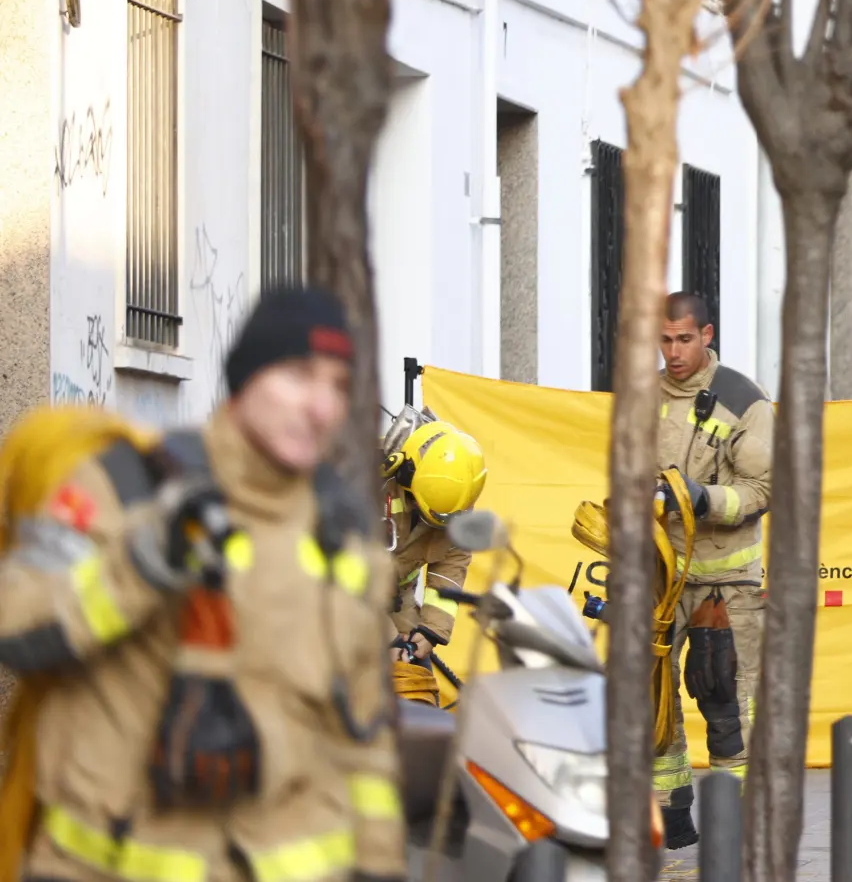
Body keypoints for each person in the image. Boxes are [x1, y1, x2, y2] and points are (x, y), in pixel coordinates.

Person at [0, 287, 401, 882]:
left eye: (340, 386)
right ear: (245, 377)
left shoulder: (344, 539)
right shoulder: (128, 487)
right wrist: (138, 567)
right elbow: (15, 622)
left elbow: (364, 746)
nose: (321, 406)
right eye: (298, 374)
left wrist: (380, 868)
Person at [653, 292, 773, 849]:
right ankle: (671, 822)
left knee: (723, 702)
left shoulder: (744, 401)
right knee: (650, 703)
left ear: (706, 334)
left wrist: (702, 500)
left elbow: (762, 489)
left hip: (725, 584)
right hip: (659, 577)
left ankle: (734, 835)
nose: (673, 352)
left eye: (683, 339)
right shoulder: (645, 397)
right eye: (665, 340)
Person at [379, 406, 488, 705]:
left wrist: (430, 631)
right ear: (404, 477)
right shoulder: (359, 483)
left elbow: (450, 567)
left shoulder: (454, 495)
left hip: (394, 602)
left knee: (417, 689)